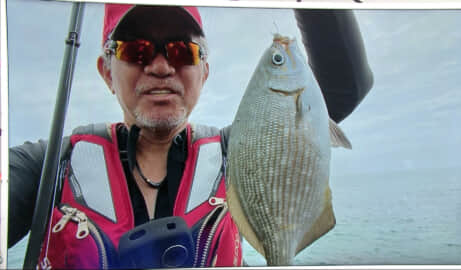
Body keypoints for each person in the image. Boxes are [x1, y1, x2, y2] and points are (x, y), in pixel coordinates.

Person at [8, 3, 373, 269]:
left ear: (204, 72)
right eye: (136, 50)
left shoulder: (243, 148)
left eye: (183, 50)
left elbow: (344, 88)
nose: (161, 66)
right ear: (106, 71)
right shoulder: (49, 165)